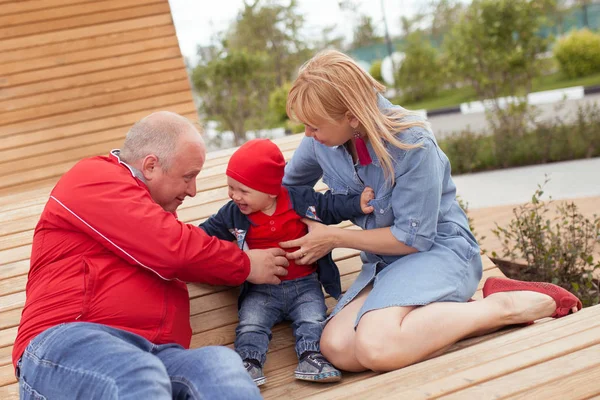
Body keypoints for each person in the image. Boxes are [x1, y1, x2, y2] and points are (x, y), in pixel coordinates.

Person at [280, 50, 583, 373]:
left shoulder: (412, 144)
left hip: (439, 252)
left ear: (352, 117)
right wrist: (303, 221)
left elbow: (413, 239)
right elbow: (286, 190)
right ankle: (441, 317)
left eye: (314, 126)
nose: (308, 135)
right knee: (336, 347)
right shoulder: (322, 142)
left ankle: (502, 306)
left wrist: (333, 238)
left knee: (376, 346)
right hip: (386, 265)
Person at [13, 112, 291, 399]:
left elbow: (186, 249)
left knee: (221, 367)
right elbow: (174, 249)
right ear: (150, 165)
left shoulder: (153, 215)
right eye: (188, 177)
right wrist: (246, 264)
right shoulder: (93, 178)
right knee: (139, 374)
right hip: (68, 346)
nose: (193, 191)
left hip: (158, 355)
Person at [200, 138, 375, 386]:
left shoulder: (300, 200)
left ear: (271, 190)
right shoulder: (231, 214)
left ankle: (311, 356)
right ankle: (248, 364)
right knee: (251, 323)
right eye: (231, 187)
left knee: (313, 318)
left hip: (304, 285)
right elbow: (203, 237)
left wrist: (356, 203)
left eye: (243, 190)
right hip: (261, 290)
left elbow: (330, 205)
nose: (235, 196)